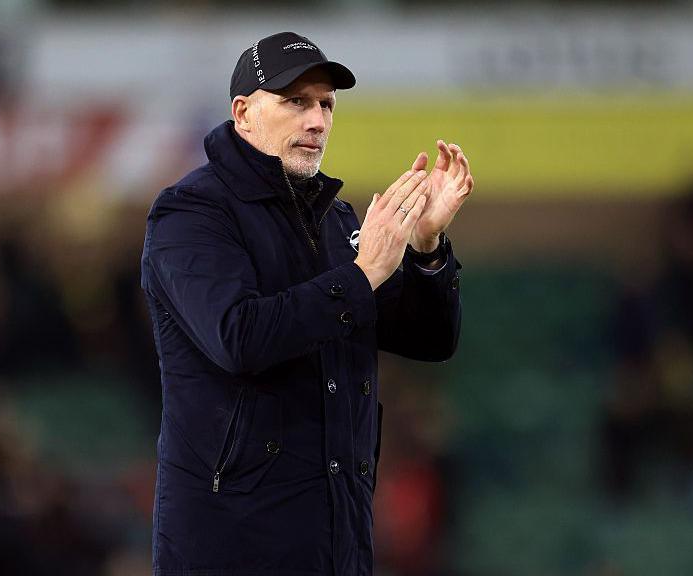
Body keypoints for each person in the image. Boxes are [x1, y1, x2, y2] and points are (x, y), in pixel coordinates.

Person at [140, 31, 473, 576]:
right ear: (243, 112)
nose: (316, 121)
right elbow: (239, 337)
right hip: (230, 548)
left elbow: (430, 340)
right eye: (295, 102)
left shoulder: (335, 220)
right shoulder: (190, 214)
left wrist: (426, 247)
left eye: (325, 105)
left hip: (336, 543)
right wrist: (364, 274)